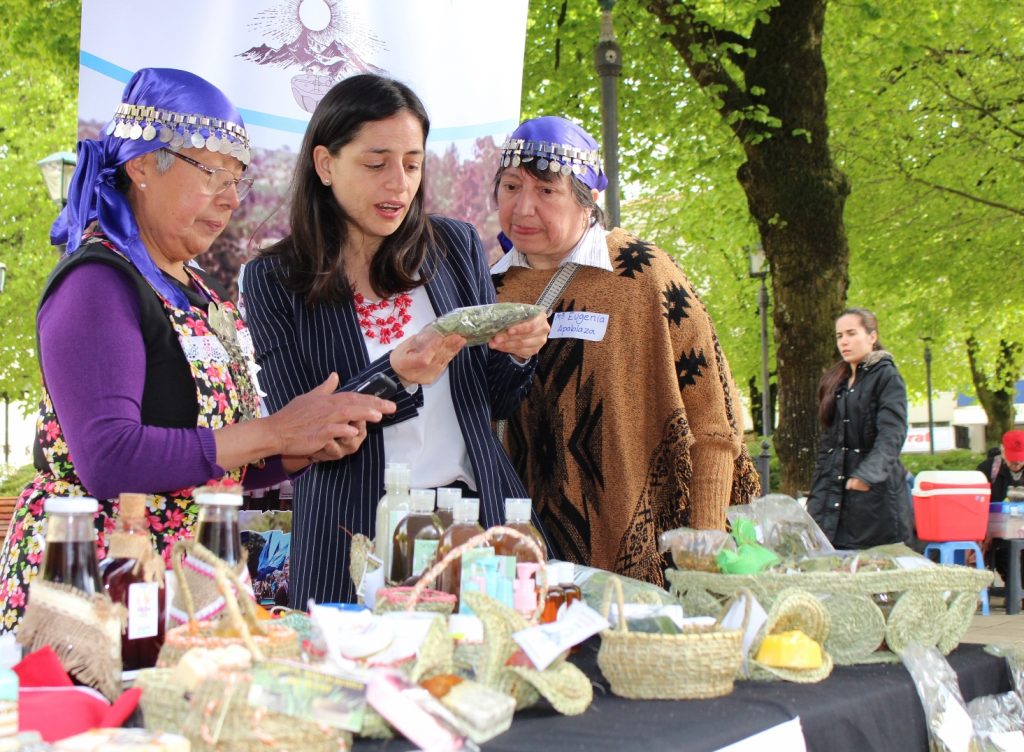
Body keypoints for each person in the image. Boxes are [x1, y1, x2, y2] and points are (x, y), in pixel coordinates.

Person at [0, 68, 394, 634]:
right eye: (213, 174)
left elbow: (207, 453)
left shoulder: (193, 286)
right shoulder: (97, 283)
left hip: (186, 578)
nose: (231, 199)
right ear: (141, 167)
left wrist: (302, 449)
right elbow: (109, 458)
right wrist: (277, 431)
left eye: (238, 179)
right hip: (92, 579)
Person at [242, 74, 550, 605]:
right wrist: (396, 372)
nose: (399, 184)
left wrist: (519, 351)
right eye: (376, 163)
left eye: (412, 163)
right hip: (351, 534)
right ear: (325, 164)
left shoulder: (453, 245)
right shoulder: (274, 278)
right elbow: (300, 431)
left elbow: (493, 398)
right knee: (355, 685)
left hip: (473, 522)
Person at [490, 116, 759, 587]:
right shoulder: (488, 286)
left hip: (647, 553)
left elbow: (711, 411)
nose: (523, 207)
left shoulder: (640, 272)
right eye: (511, 187)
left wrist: (707, 533)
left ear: (588, 201)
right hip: (521, 555)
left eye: (546, 191)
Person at [807, 308, 913, 548]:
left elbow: (892, 433)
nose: (844, 341)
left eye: (851, 333)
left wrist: (868, 474)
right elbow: (829, 447)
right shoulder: (839, 382)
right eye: (839, 336)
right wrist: (817, 496)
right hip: (837, 495)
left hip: (877, 498)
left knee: (875, 574)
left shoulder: (887, 377)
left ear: (872, 337)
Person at [979, 430, 1024, 585]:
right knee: (1003, 550)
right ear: (1003, 451)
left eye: (1020, 459)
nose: (1016, 463)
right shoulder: (988, 469)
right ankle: (1014, 586)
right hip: (998, 532)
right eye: (1013, 459)